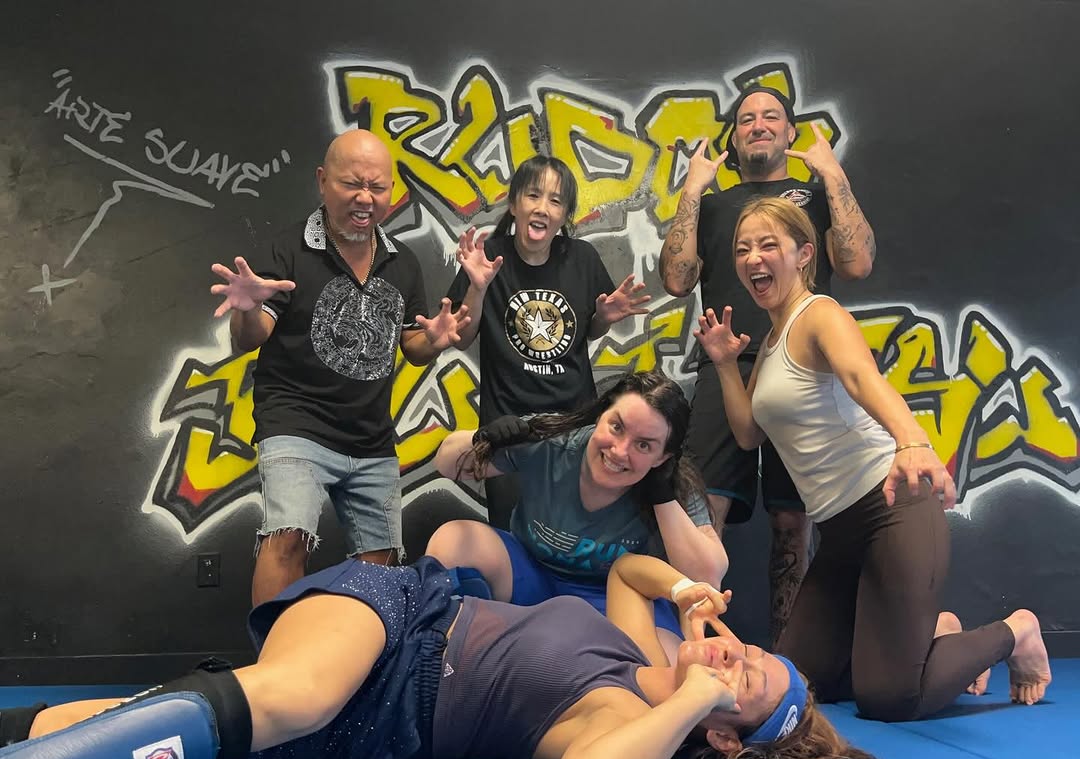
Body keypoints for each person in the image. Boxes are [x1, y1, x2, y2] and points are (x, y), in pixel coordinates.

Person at [1, 552, 877, 759]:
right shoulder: (636, 646)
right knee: (294, 693)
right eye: (750, 652)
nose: (735, 658)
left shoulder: (619, 720)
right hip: (403, 613)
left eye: (744, 685)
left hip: (385, 724)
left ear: (724, 731)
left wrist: (692, 701)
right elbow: (627, 572)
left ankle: (16, 740)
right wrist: (686, 591)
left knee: (176, 745)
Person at [693, 195, 1052, 721]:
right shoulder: (771, 344)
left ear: (804, 255)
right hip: (840, 534)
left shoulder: (820, 315)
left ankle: (1015, 632)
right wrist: (726, 364)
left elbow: (863, 378)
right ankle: (932, 637)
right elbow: (748, 434)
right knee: (799, 682)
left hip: (892, 511)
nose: (753, 258)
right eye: (743, 249)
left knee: (889, 698)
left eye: (768, 245)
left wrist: (911, 441)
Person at [209, 129, 469, 606]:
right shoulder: (286, 250)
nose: (365, 198)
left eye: (377, 187)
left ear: (391, 191)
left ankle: (355, 650)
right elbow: (250, 337)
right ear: (322, 181)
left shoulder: (403, 263)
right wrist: (247, 309)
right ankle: (276, 653)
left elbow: (411, 347)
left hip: (371, 437)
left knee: (381, 564)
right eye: (352, 184)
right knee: (287, 538)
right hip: (296, 424)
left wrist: (432, 341)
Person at [659, 85, 877, 644]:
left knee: (791, 521)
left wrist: (833, 175)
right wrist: (692, 189)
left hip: (798, 362)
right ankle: (697, 648)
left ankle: (787, 658)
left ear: (790, 132)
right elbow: (677, 279)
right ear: (734, 138)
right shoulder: (713, 205)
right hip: (724, 363)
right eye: (746, 119)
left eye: (771, 116)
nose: (758, 124)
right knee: (703, 507)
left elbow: (856, 264)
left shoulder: (817, 195)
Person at [425, 369, 727, 639]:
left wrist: (662, 496)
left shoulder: (672, 482)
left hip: (614, 596)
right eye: (616, 427)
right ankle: (438, 647)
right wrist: (480, 438)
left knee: (667, 661)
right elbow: (446, 463)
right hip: (531, 574)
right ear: (600, 416)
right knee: (453, 538)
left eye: (644, 444)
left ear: (663, 458)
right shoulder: (554, 441)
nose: (619, 451)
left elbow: (708, 577)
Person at [447, 154, 650, 528]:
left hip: (576, 427)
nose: (542, 207)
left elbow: (586, 331)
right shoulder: (488, 257)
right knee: (511, 537)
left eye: (555, 201)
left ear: (565, 215)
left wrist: (603, 319)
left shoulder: (582, 258)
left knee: (570, 535)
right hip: (507, 429)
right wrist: (477, 288)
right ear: (514, 204)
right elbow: (461, 339)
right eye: (533, 195)